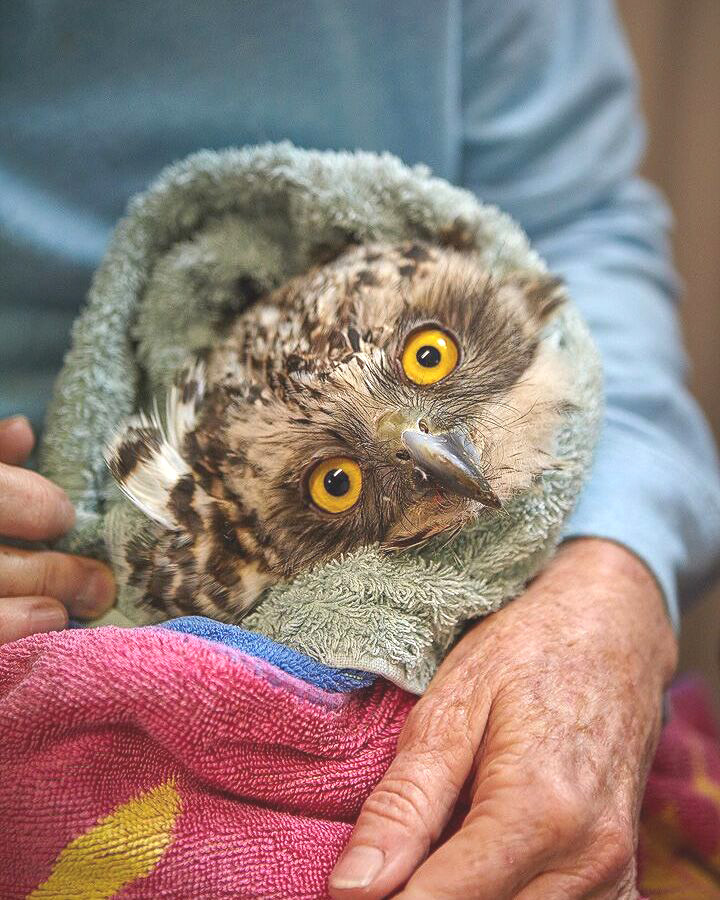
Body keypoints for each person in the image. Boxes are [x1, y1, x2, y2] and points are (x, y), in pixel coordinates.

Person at [2, 1, 719, 896]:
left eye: (430, 358)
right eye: (340, 480)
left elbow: (576, 223)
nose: (432, 452)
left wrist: (613, 570)